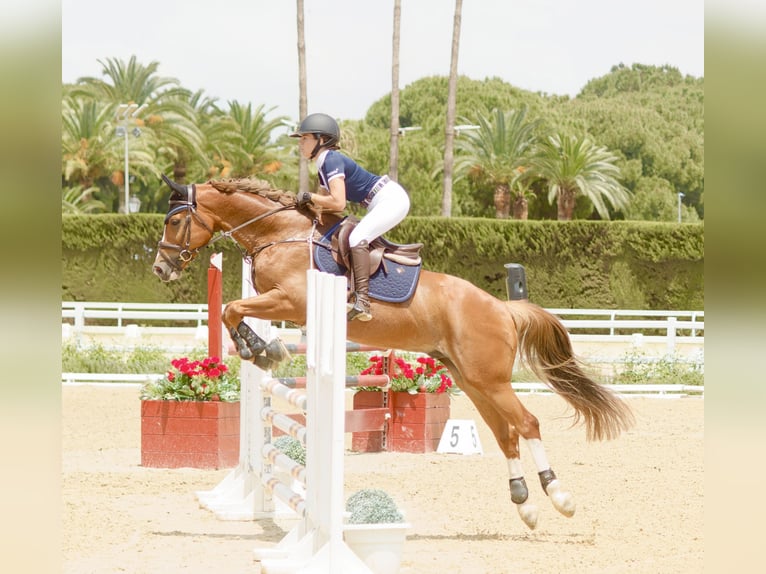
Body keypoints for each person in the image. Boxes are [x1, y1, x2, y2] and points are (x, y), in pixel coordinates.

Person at [290, 112, 410, 322]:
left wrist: (310, 196)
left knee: (357, 238)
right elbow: (328, 209)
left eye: (305, 138)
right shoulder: (322, 165)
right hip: (378, 201)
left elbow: (338, 202)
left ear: (322, 140)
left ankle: (362, 300)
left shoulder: (331, 159)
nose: (300, 143)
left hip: (391, 199)